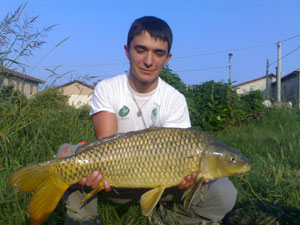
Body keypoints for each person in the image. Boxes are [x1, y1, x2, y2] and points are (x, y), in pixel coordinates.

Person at [58, 16, 237, 225]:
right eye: (141, 50)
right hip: (116, 180)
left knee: (224, 192)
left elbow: (181, 155)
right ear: (127, 51)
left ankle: (163, 217)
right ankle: (83, 220)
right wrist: (95, 174)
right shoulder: (108, 88)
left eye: (158, 53)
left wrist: (184, 182)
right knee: (68, 157)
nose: (149, 61)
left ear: (167, 58)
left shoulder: (175, 99)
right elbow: (106, 146)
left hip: (162, 185)